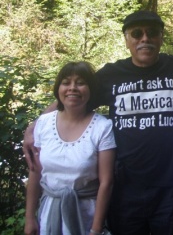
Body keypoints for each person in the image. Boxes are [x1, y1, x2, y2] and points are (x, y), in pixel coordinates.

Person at [23, 11, 173, 235]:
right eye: (136, 33)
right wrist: (33, 127)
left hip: (171, 183)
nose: (145, 39)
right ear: (127, 40)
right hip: (126, 187)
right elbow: (70, 99)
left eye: (152, 33)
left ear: (161, 37)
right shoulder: (112, 74)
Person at [24, 61, 116, 235]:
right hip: (49, 213)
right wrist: (30, 218)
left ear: (91, 89)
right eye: (66, 82)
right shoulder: (43, 124)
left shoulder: (102, 127)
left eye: (80, 83)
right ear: (58, 89)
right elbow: (35, 173)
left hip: (87, 215)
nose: (72, 88)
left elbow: (106, 182)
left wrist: (96, 229)